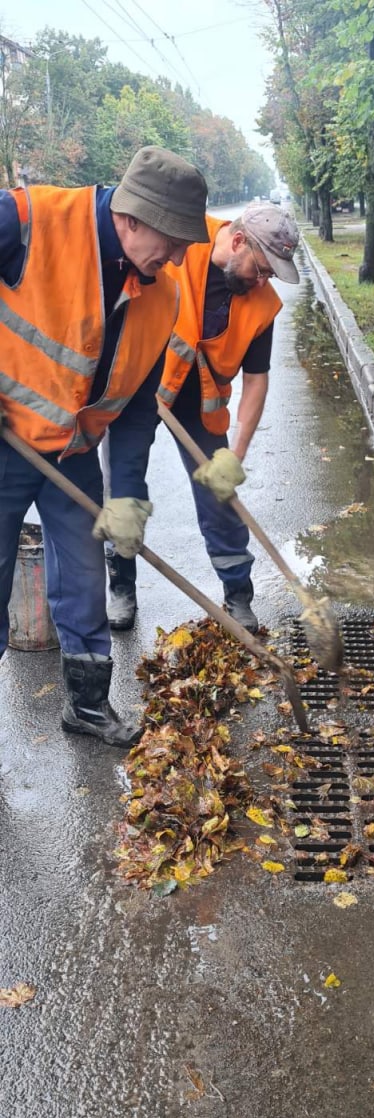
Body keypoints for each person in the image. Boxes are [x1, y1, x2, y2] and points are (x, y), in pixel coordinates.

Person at [0, 146, 209, 746]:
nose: (175, 256)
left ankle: (87, 707)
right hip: (7, 444)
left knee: (87, 578)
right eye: (170, 240)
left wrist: (125, 496)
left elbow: (138, 406)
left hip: (72, 456)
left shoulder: (161, 293)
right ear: (130, 218)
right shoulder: (29, 221)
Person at [105, 201, 300, 634]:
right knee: (124, 487)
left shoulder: (261, 306)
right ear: (236, 242)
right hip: (139, 390)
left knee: (220, 496)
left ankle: (238, 594)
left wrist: (237, 456)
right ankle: (121, 585)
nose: (264, 281)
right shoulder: (180, 242)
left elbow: (256, 380)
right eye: (262, 269)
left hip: (199, 404)